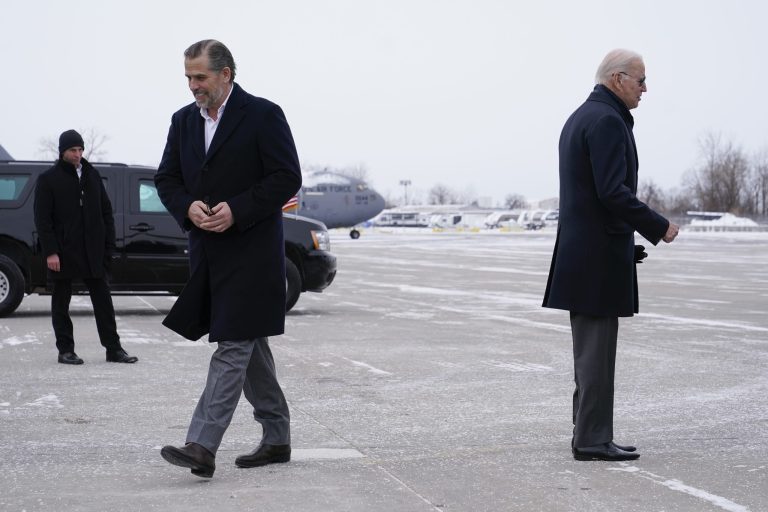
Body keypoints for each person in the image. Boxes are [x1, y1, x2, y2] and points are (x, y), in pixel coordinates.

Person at [155, 40, 302, 479]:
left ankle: (202, 444)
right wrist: (187, 207)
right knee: (249, 344)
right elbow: (167, 178)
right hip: (208, 253)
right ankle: (276, 437)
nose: (193, 86)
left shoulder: (262, 114)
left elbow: (286, 177)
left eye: (200, 77)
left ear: (226, 74)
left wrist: (238, 209)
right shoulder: (183, 121)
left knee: (233, 344)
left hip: (253, 252)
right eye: (188, 77)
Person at [542, 49, 679, 462]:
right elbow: (611, 192)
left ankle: (590, 433)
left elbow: (591, 200)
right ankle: (591, 440)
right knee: (596, 358)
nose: (645, 88)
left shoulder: (585, 116)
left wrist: (623, 243)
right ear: (618, 79)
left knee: (592, 356)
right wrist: (657, 226)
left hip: (590, 255)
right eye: (640, 80)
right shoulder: (605, 120)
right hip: (594, 264)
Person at [33, 130, 138, 365]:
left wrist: (108, 246)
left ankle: (114, 349)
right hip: (63, 251)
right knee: (61, 302)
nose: (78, 154)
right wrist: (51, 251)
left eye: (80, 150)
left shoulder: (92, 175)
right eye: (73, 150)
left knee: (103, 301)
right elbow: (42, 219)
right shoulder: (48, 179)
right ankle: (65, 350)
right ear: (63, 152)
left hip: (93, 251)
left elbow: (106, 212)